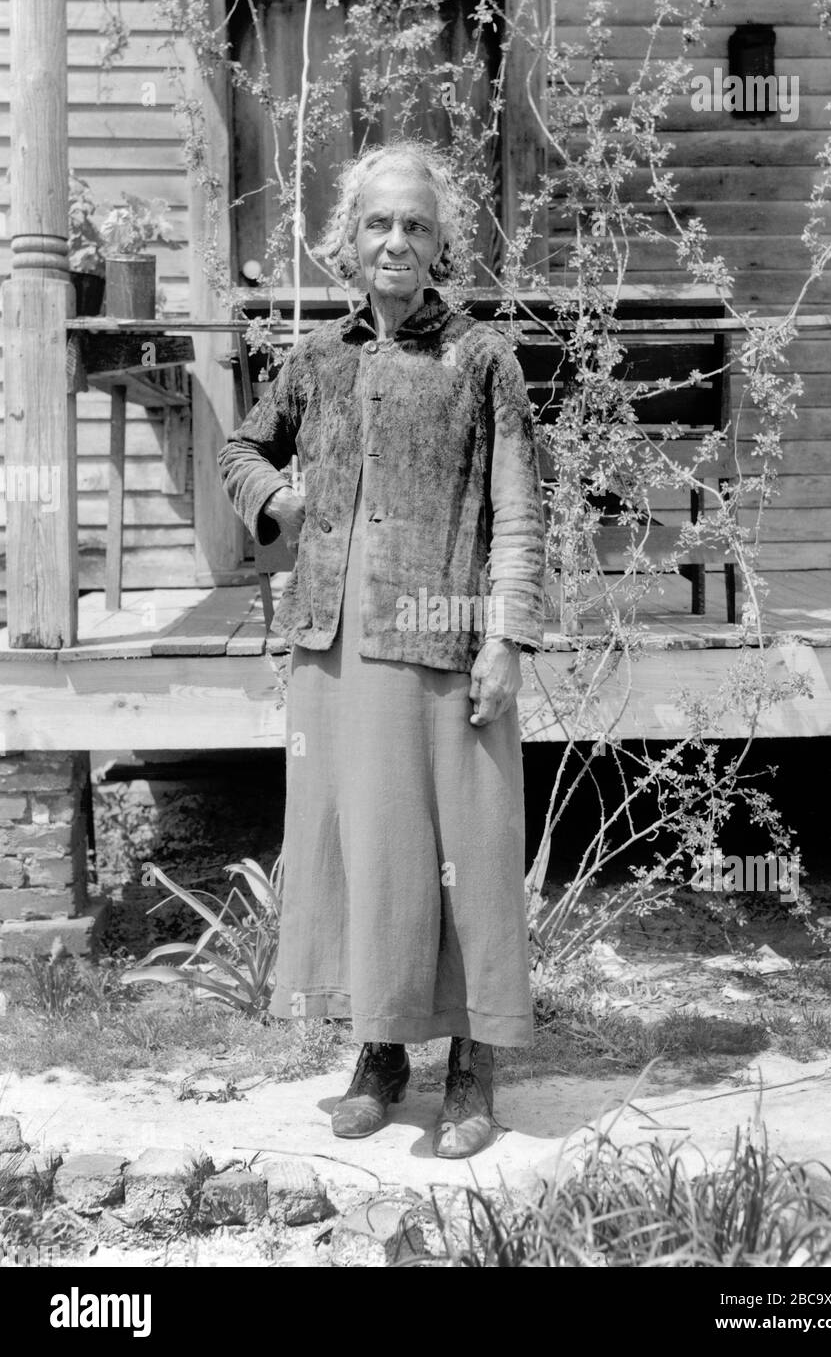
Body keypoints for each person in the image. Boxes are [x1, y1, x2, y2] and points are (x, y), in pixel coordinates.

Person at [218, 139, 545, 1159]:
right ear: (349, 243)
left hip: (447, 636)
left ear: (441, 241)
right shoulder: (315, 360)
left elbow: (518, 504)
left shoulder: (482, 357)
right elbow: (240, 449)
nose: (396, 240)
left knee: (469, 848)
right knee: (367, 847)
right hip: (336, 640)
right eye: (377, 223)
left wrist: (509, 634)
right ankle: (380, 1055)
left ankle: (473, 1068)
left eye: (414, 223)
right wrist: (274, 495)